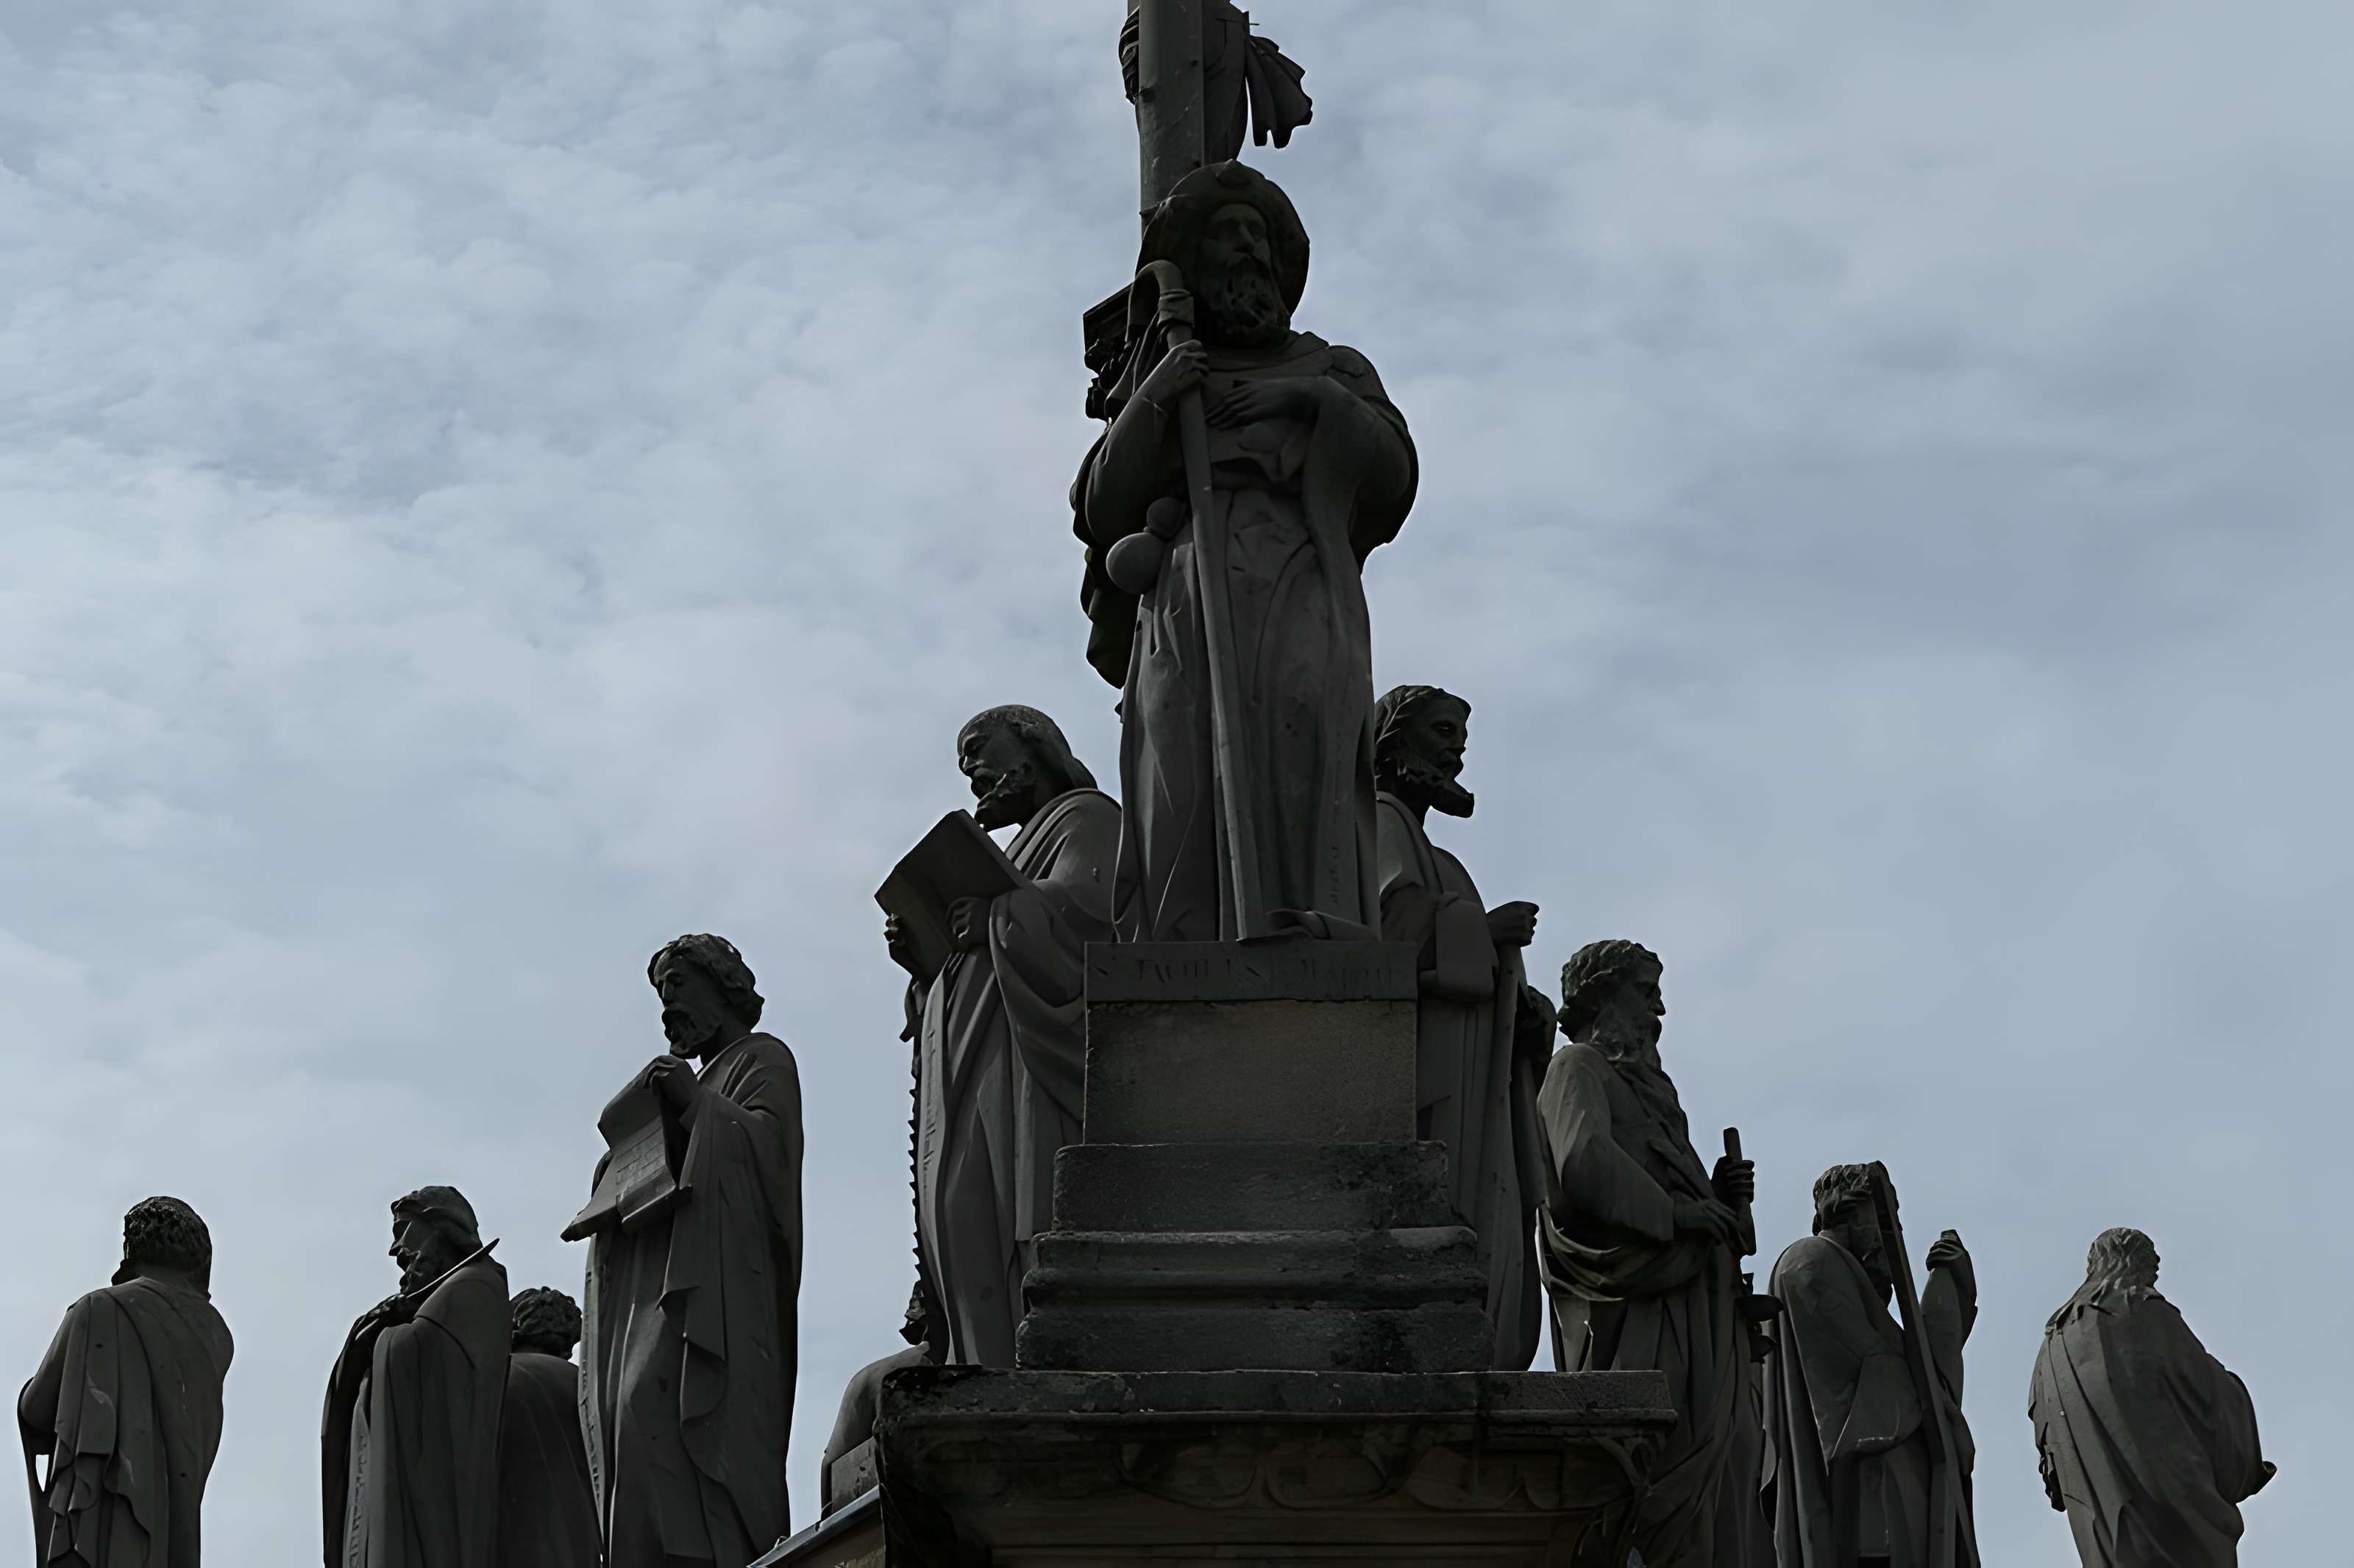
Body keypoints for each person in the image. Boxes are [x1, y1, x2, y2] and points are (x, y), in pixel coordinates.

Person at [1073, 160, 1418, 941]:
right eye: (1225, 235)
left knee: (1302, 740)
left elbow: (1393, 476)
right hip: (1186, 582)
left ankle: (1311, 919)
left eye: (1256, 236)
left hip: (1298, 568)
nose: (1245, 250)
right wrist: (1160, 392)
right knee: (1179, 762)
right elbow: (1102, 501)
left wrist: (1314, 401)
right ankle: (1186, 940)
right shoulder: (1168, 369)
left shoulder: (1331, 366)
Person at [883, 706, 1117, 1366]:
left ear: (1035, 744)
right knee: (960, 1214)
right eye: (965, 765)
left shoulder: (1088, 819)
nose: (974, 772)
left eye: (982, 751)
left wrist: (997, 912)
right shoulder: (1013, 852)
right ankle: (981, 1362)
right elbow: (977, 961)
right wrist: (928, 966)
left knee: (1014, 1209)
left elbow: (1094, 919)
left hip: (1027, 1073)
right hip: (975, 1064)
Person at [579, 934, 802, 1567]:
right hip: (662, 1290)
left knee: (662, 1410)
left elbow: (770, 1162)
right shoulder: (697, 1081)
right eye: (660, 995)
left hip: (722, 1299)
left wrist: (697, 1103)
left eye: (677, 987)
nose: (667, 1006)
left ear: (721, 984)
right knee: (633, 1423)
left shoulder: (764, 1061)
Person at [1535, 940, 1752, 1568]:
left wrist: (1716, 1195)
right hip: (1636, 1311)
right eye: (1645, 991)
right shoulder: (1576, 1067)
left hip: (1695, 1306)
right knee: (1648, 1479)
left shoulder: (1651, 1092)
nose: (1659, 1009)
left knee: (1712, 1484)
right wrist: (1679, 1212)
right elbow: (1584, 1161)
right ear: (1602, 994)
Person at [1370, 683, 1546, 1369]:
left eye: (1461, 742)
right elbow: (1386, 929)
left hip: (1475, 1073)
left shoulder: (1443, 861)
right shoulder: (1377, 821)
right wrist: (1484, 929)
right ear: (1393, 742)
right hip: (1428, 1068)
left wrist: (1527, 1010)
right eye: (1444, 736)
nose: (1457, 756)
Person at [1763, 1164, 1977, 1568]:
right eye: (1885, 1218)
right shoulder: (1810, 1261)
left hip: (1888, 1497)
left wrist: (1954, 1297)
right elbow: (1896, 1389)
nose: (1890, 1234)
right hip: (1867, 1502)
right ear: (1849, 1210)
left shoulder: (1837, 1273)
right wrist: (1946, 1306)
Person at [2030, 1227, 2272, 1567]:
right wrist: (2235, 1392)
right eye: (2148, 1258)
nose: (2156, 1266)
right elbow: (2206, 1393)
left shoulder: (2052, 1344)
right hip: (2170, 1508)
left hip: (2105, 1529)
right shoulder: (2141, 1307)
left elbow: (2051, 1461)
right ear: (2131, 1260)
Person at [18, 1197, 234, 1568]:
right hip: (172, 1531)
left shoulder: (98, 1309)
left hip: (98, 1524)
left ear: (132, 1249)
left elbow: (36, 1410)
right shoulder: (216, 1336)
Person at [321, 1186, 508, 1568]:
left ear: (442, 1228)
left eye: (404, 1232)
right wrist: (365, 1338)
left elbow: (422, 1354)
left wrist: (385, 1334)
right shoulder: (437, 1297)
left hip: (437, 1504)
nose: (395, 1252)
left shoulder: (474, 1286)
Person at [497, 1288, 600, 1568]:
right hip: (581, 1538)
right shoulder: (589, 1386)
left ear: (514, 1326)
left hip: (508, 1533)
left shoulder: (495, 1380)